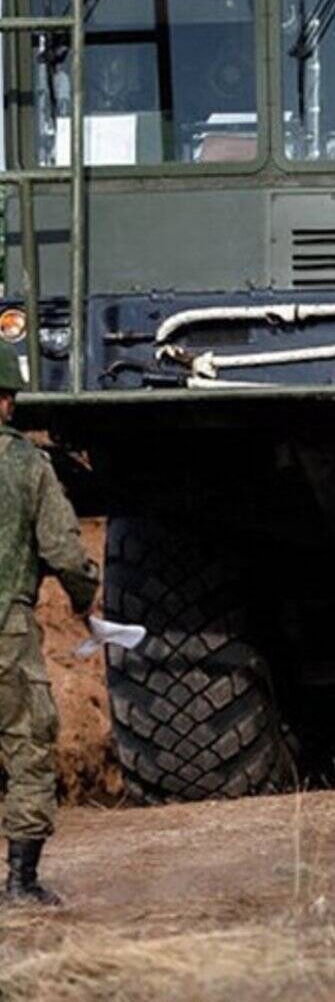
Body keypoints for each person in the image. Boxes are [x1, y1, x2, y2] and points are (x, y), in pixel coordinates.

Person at [0, 341, 98, 907]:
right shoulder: (26, 465)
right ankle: (20, 882)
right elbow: (63, 550)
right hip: (7, 630)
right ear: (8, 402)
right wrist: (85, 597)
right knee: (28, 744)